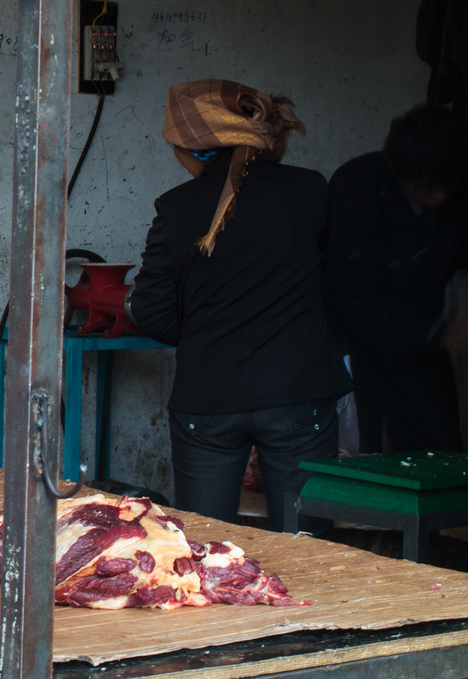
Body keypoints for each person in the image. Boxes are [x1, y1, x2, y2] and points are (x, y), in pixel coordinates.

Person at [128, 79, 349, 532]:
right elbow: (340, 282)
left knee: (209, 547)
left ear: (197, 151)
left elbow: (151, 310)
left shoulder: (175, 208)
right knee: (308, 542)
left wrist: (204, 334)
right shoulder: (310, 191)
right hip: (298, 391)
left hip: (207, 399)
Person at [325, 105, 468, 454]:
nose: (442, 196)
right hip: (351, 346)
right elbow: (343, 292)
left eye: (450, 184)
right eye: (431, 186)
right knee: (359, 462)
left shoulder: (456, 196)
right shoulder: (355, 188)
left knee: (440, 463)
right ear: (401, 172)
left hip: (422, 348)